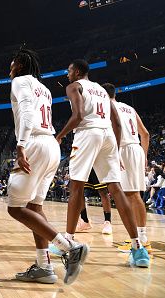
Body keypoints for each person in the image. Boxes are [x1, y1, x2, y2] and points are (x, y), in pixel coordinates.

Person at [55, 59, 150, 267]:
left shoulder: (74, 86)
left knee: (76, 187)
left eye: (69, 70)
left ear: (77, 71)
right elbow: (116, 122)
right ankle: (138, 248)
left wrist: (60, 135)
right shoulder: (101, 90)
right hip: (107, 134)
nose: (67, 74)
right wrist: (113, 148)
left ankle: (69, 241)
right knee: (116, 189)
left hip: (88, 133)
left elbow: (78, 116)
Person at [3, 50, 87, 285]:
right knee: (34, 206)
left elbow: (28, 112)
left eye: (12, 64)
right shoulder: (45, 88)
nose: (9, 69)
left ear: (19, 65)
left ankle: (69, 247)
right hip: (50, 144)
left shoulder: (19, 81)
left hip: (35, 143)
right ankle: (44, 266)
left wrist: (20, 146)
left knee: (15, 208)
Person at [101, 83, 152, 252]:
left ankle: (141, 239)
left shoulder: (107, 106)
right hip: (136, 148)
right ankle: (139, 236)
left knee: (131, 195)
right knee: (132, 195)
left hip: (123, 149)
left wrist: (115, 153)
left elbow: (113, 131)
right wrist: (144, 156)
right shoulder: (129, 108)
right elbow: (145, 134)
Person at [76, 169, 113, 234]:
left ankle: (108, 221)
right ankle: (84, 220)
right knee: (79, 191)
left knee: (103, 190)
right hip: (85, 163)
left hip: (96, 163)